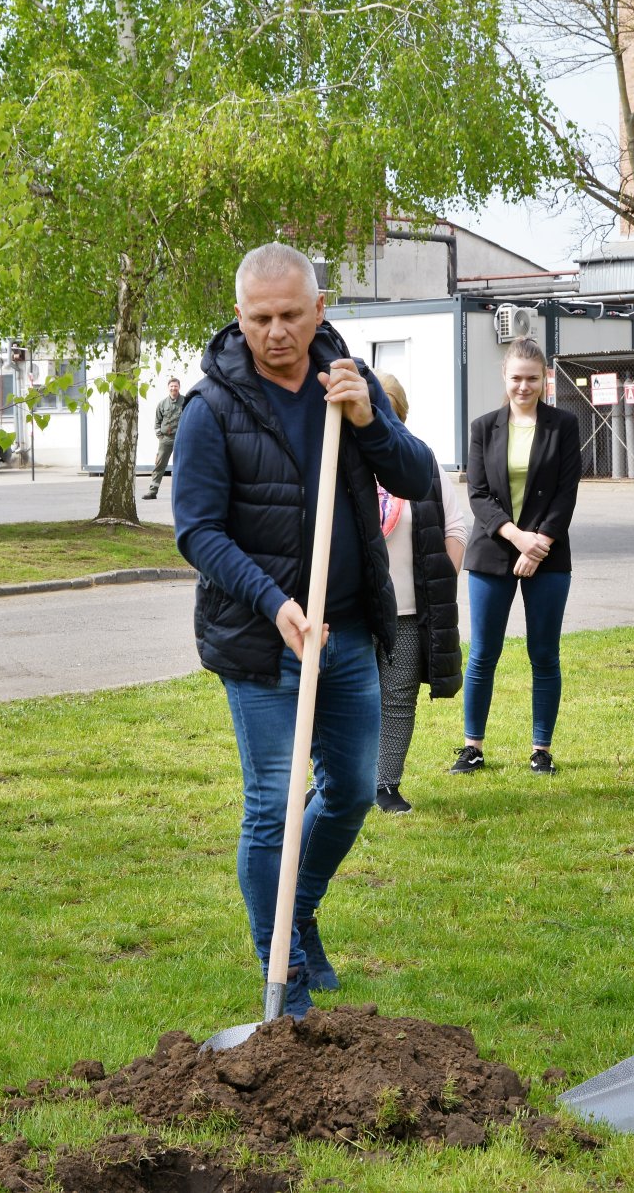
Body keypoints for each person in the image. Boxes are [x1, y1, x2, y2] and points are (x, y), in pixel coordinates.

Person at [173, 242, 436, 1015]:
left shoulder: (346, 382)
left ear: (320, 309)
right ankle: (281, 973)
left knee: (352, 790)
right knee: (270, 804)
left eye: (292, 314)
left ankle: (297, 908)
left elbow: (416, 479)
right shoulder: (211, 408)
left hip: (349, 631)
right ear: (239, 316)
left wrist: (368, 423)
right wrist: (274, 602)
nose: (277, 331)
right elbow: (199, 531)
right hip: (261, 640)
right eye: (260, 318)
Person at [453, 337, 581, 777]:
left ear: (544, 379)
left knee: (543, 654)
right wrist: (516, 539)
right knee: (482, 654)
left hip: (549, 552)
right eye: (515, 378)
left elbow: (566, 493)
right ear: (504, 378)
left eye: (531, 378)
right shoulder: (482, 427)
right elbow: (479, 494)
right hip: (492, 552)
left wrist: (538, 543)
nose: (523, 387)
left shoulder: (563, 425)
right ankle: (472, 748)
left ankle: (541, 749)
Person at [370, 372, 467, 815]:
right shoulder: (341, 458)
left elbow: (456, 524)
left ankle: (384, 784)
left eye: (388, 408)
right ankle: (330, 782)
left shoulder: (421, 460)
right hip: (354, 609)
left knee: (397, 697)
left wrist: (443, 574)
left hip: (408, 610)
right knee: (342, 699)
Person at [143, 378, 184, 500]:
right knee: (159, 465)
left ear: (179, 387)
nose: (173, 388)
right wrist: (160, 436)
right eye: (171, 386)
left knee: (182, 465)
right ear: (168, 388)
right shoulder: (162, 404)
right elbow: (157, 422)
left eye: (175, 386)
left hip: (181, 438)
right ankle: (152, 492)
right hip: (166, 439)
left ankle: (183, 493)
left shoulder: (185, 401)